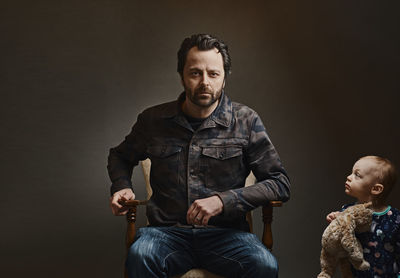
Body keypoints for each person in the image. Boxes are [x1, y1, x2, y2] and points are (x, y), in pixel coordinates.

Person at [107, 33, 290, 278]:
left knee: (264, 265)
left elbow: (279, 183)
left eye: (213, 74)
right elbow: (120, 156)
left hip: (227, 237)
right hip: (165, 235)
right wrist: (121, 186)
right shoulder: (153, 120)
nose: (205, 82)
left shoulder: (245, 120)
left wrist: (223, 201)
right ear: (182, 76)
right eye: (195, 73)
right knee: (140, 255)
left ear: (224, 78)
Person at [325, 155, 400, 277]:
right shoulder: (347, 212)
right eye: (351, 173)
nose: (349, 178)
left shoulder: (395, 218)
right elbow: (340, 240)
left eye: (357, 175)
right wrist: (335, 220)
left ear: (376, 189)